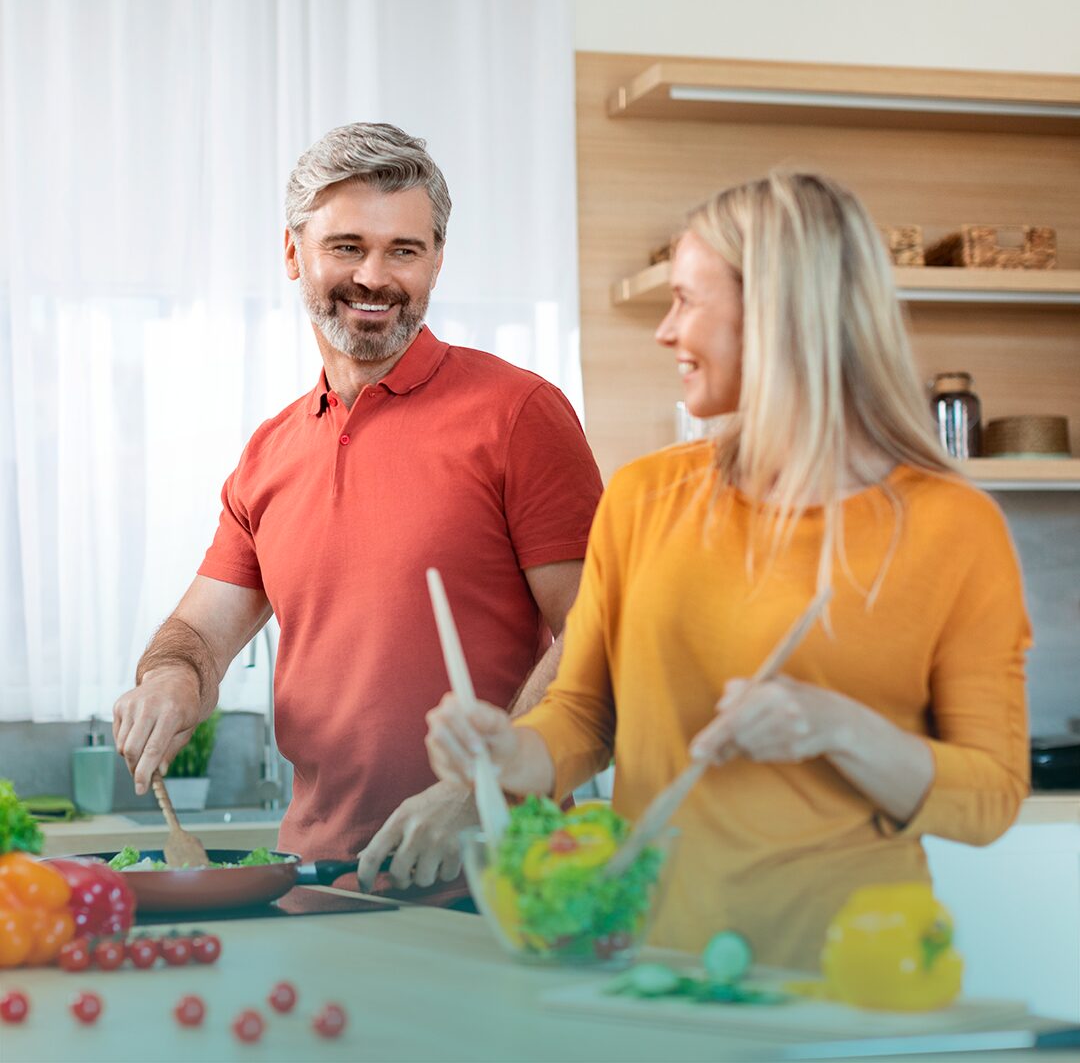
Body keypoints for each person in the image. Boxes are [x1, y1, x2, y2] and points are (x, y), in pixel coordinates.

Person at [425, 172, 1031, 966]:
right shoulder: (645, 498)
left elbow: (989, 796)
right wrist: (507, 756)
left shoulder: (954, 527)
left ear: (780, 314)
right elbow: (585, 716)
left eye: (686, 299)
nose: (665, 331)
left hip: (854, 975)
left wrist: (836, 727)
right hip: (655, 966)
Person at [113, 122, 603, 906]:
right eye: (346, 246)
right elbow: (199, 634)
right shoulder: (268, 453)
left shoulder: (519, 414)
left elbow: (601, 632)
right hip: (317, 886)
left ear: (437, 259)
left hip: (498, 880)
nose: (375, 277)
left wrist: (484, 790)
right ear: (292, 254)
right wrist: (172, 682)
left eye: (403, 250)